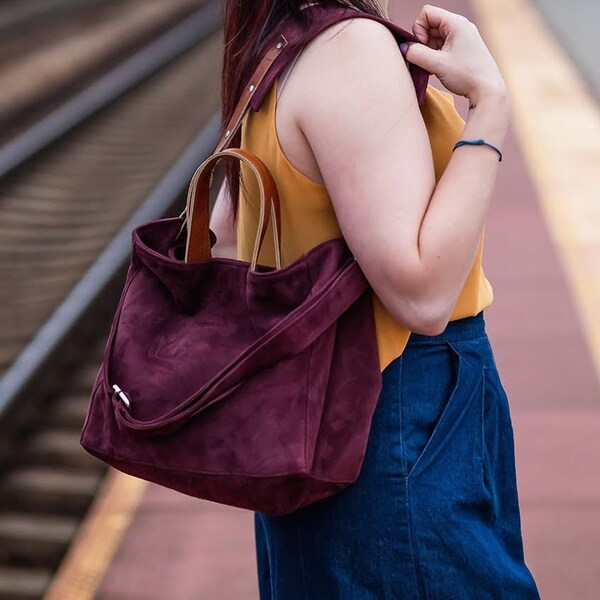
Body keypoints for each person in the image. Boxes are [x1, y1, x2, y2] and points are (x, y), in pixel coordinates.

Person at [210, 1, 541, 598]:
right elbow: (421, 294)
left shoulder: (278, 43)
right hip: (398, 408)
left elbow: (227, 237)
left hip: (330, 413)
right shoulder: (351, 51)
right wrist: (489, 104)